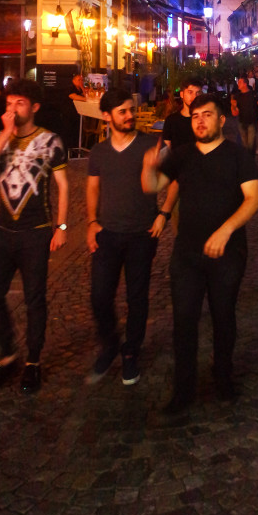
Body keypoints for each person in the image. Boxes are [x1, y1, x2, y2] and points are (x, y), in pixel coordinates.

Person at [142, 93, 258, 416]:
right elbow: (153, 186)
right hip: (187, 254)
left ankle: (223, 376)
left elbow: (253, 199)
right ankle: (184, 388)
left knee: (224, 317)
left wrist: (226, 230)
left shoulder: (238, 156)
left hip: (228, 252)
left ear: (222, 120)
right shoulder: (182, 156)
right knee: (183, 321)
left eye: (207, 115)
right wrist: (149, 169)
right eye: (196, 116)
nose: (200, 121)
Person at [86, 89, 170, 387]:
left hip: (141, 233)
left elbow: (173, 180)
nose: (130, 115)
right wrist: (91, 222)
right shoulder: (99, 152)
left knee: (137, 297)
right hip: (107, 233)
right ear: (106, 116)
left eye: (131, 110)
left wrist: (163, 214)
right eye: (122, 111)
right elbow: (93, 188)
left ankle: (131, 351)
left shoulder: (150, 143)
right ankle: (109, 344)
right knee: (99, 296)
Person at [0, 78, 69, 393]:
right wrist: (5, 135)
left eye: (20, 103)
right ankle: (9, 352)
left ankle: (33, 362)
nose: (13, 109)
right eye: (9, 103)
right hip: (1, 231)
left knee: (34, 299)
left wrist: (62, 227)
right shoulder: (0, 140)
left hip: (35, 232)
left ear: (34, 107)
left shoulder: (51, 141)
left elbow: (64, 186)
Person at [162, 77, 203, 151]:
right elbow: (166, 149)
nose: (194, 96)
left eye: (198, 93)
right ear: (182, 94)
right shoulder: (171, 120)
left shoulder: (204, 120)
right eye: (190, 92)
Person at [230, 76, 258, 156]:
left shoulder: (253, 94)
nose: (238, 84)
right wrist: (233, 107)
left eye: (240, 82)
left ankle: (250, 160)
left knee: (251, 144)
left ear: (245, 84)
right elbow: (235, 113)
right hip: (242, 122)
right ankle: (247, 160)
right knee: (245, 145)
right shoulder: (237, 96)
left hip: (252, 122)